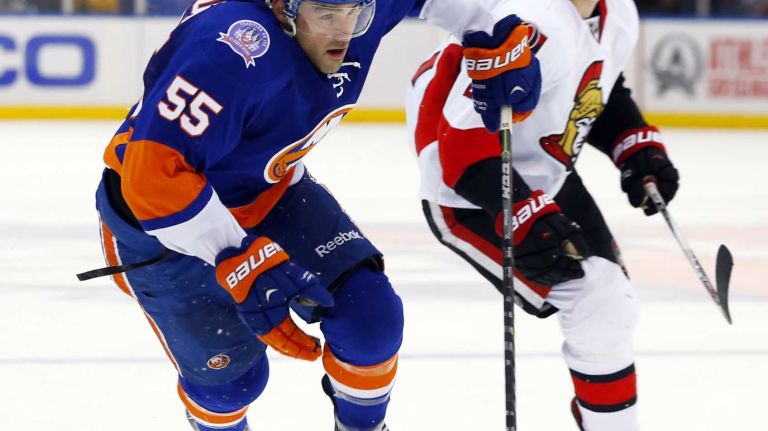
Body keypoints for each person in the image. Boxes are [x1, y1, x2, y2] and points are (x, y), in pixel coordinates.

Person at [83, 0, 541, 429]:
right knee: (231, 387)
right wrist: (234, 255)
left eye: (355, 12)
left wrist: (491, 32)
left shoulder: (352, 8)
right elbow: (152, 176)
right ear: (284, 7)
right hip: (160, 223)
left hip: (268, 193)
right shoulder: (230, 47)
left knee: (371, 322)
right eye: (326, 15)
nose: (345, 32)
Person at [406, 0, 680, 429]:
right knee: (599, 301)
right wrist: (519, 209)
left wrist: (634, 143)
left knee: (613, 307)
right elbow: (459, 147)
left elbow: (598, 87)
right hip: (471, 190)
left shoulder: (619, 11)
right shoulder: (530, 17)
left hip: (544, 172)